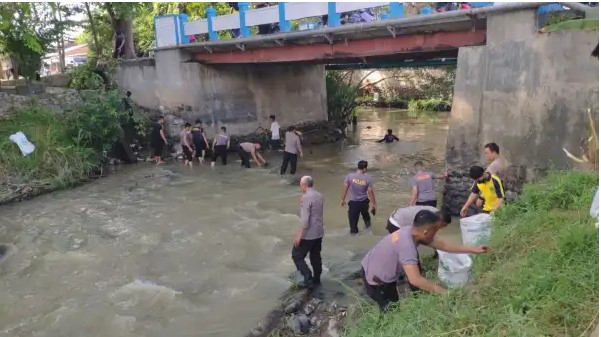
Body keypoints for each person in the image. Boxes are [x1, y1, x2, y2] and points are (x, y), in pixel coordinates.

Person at [361, 210, 490, 313]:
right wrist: (446, 293)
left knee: (394, 305)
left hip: (373, 264)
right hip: (376, 279)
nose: (436, 234)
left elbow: (444, 245)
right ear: (425, 231)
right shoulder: (407, 247)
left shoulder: (410, 230)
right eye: (436, 230)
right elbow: (415, 280)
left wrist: (474, 249)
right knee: (390, 311)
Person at [292, 176, 324, 289]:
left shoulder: (306, 197)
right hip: (319, 231)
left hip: (309, 233)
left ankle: (307, 276)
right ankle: (317, 278)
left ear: (304, 185)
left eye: (301, 184)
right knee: (315, 255)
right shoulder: (319, 195)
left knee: (296, 255)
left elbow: (305, 220)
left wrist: (299, 235)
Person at [341, 160, 377, 234]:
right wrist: (373, 204)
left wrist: (342, 199)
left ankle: (354, 238)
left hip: (353, 203)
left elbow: (345, 188)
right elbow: (370, 192)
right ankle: (369, 230)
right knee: (366, 216)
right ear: (364, 169)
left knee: (353, 222)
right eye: (366, 168)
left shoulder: (349, 176)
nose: (366, 170)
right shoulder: (367, 179)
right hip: (364, 202)